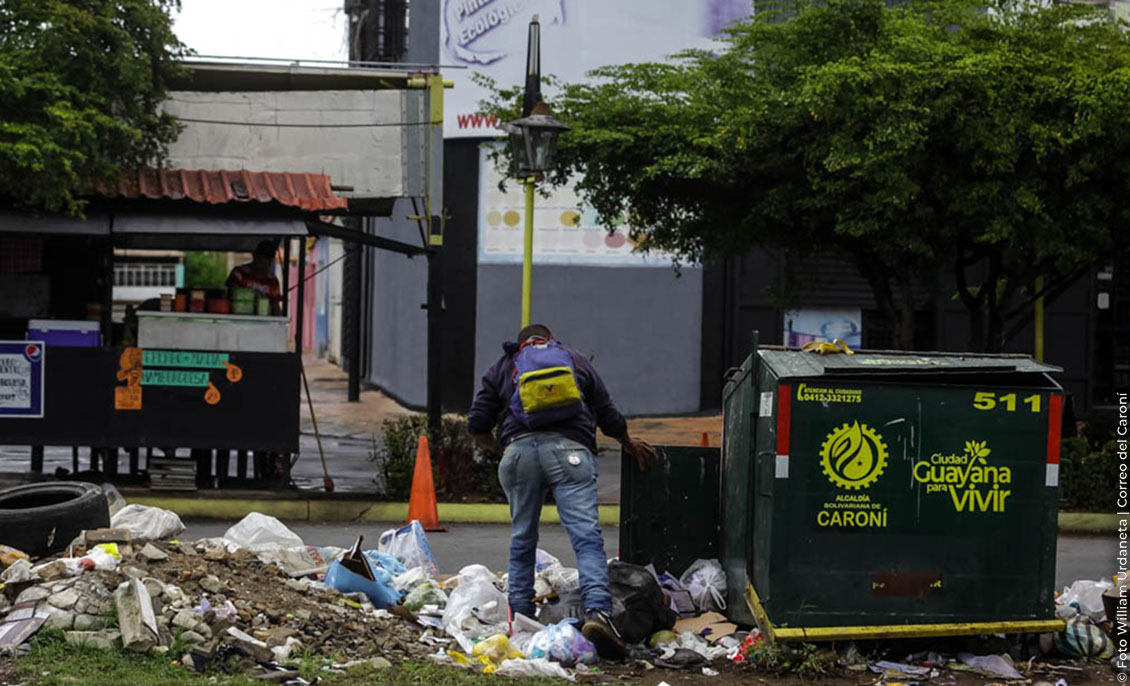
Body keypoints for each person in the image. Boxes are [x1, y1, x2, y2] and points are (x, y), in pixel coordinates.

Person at [468, 324, 657, 659]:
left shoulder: (502, 365)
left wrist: (508, 450)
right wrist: (627, 441)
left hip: (518, 454)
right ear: (550, 338)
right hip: (570, 453)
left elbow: (477, 424)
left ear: (522, 341)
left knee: (523, 537)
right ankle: (598, 613)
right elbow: (607, 412)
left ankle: (521, 618)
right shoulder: (574, 359)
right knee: (586, 537)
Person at [226, 240, 282, 315]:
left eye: (269, 258)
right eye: (262, 256)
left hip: (263, 323)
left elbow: (275, 307)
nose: (264, 261)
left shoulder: (273, 281)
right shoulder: (239, 273)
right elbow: (229, 296)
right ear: (254, 255)